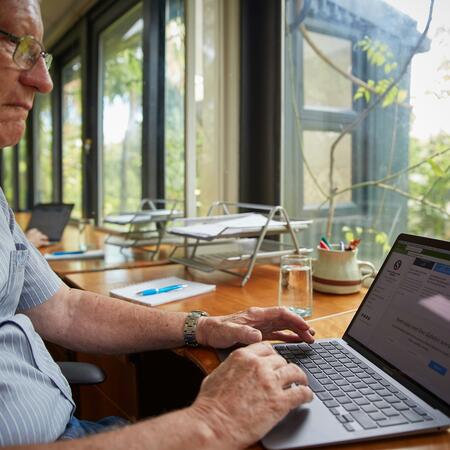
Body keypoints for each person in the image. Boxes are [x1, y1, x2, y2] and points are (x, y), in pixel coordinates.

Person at [0, 1, 315, 448]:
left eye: (42, 56)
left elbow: (63, 308)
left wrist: (202, 326)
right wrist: (212, 424)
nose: (44, 81)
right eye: (22, 48)